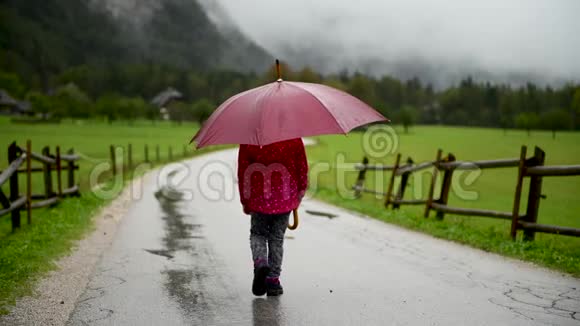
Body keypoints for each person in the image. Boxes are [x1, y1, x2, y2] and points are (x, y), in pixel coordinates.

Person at [237, 138, 308, 296]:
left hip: (258, 199)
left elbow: (243, 172)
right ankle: (273, 281)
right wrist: (300, 193)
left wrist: (245, 199)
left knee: (258, 234)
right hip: (286, 198)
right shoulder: (293, 138)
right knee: (277, 238)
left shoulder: (250, 139)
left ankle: (261, 262)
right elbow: (302, 167)